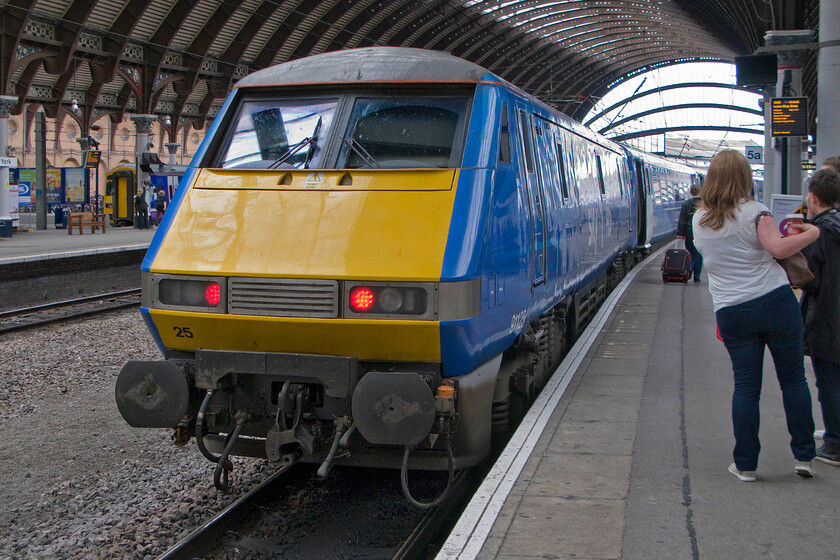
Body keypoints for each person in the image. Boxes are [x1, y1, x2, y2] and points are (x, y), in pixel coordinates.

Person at [692, 149, 820, 482]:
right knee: (793, 380)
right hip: (775, 304)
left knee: (746, 388)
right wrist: (813, 232)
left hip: (732, 311)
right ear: (744, 178)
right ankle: (804, 456)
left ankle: (746, 464)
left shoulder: (699, 220)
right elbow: (777, 249)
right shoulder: (756, 213)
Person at [799, 168, 840, 466]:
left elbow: (810, 279)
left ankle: (835, 444)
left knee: (828, 382)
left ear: (812, 198)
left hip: (827, 314)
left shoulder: (818, 231)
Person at [677, 184, 703, 282]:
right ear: (699, 192)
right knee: (699, 255)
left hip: (689, 233)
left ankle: (690, 267)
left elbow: (682, 220)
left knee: (691, 252)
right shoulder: (704, 204)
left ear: (690, 192)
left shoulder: (686, 204)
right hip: (701, 233)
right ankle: (697, 276)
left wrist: (680, 233)